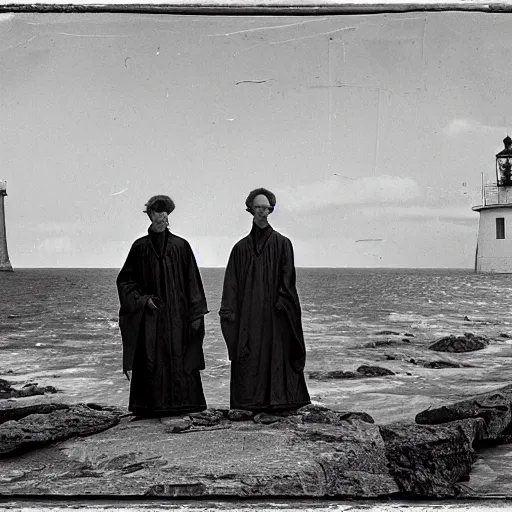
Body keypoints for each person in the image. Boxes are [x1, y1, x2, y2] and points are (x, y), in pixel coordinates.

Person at [219, 187, 311, 412]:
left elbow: (288, 280)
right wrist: (230, 315)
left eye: (266, 208)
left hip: (275, 316)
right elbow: (231, 285)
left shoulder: (282, 243)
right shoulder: (240, 249)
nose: (263, 212)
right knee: (247, 355)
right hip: (248, 317)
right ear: (250, 209)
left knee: (277, 355)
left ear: (271, 210)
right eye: (258, 207)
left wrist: (281, 304)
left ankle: (280, 402)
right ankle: (250, 404)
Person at [116, 195, 209, 417]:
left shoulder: (181, 246)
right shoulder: (139, 247)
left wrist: (196, 315)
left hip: (178, 315)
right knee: (151, 359)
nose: (163, 217)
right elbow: (125, 282)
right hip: (152, 317)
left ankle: (185, 405)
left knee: (181, 355)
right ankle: (151, 407)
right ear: (150, 215)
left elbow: (193, 282)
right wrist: (143, 300)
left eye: (166, 212)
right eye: (158, 212)